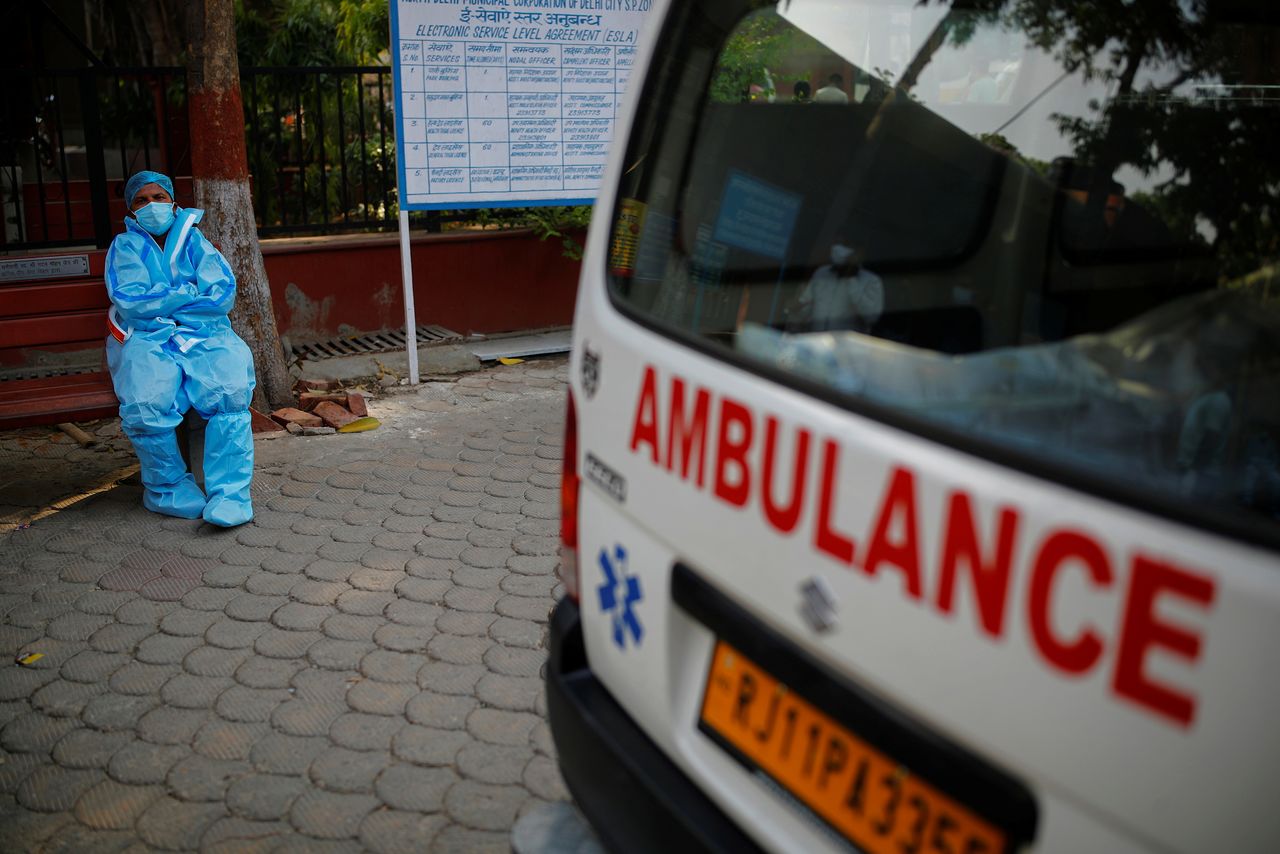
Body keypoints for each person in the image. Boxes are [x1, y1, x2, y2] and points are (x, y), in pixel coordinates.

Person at [104, 170, 256, 527]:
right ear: (130, 209)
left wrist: (166, 303)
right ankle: (166, 490)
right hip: (145, 337)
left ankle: (231, 495)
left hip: (205, 334)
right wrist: (186, 294)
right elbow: (131, 302)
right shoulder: (124, 247)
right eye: (141, 200)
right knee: (146, 401)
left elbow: (220, 295)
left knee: (230, 391)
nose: (152, 206)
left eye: (159, 197)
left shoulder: (195, 241)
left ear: (173, 202)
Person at [788, 243, 884, 333]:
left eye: (844, 244)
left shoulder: (871, 281)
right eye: (837, 243)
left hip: (842, 348)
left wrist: (851, 279)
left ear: (859, 252)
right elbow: (806, 306)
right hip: (815, 343)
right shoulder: (821, 273)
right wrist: (795, 307)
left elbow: (872, 318)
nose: (838, 249)